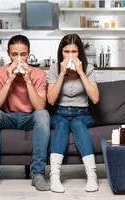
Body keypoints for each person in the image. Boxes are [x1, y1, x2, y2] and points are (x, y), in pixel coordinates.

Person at [0, 34, 51, 192]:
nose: (19, 59)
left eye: (23, 54)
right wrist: (9, 80)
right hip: (8, 117)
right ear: (8, 54)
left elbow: (40, 106)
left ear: (29, 53)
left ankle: (38, 174)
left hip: (29, 118)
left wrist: (28, 81)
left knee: (43, 114)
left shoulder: (39, 74)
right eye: (14, 54)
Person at [46, 33, 100, 193]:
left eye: (74, 52)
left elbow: (95, 99)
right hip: (60, 113)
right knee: (62, 124)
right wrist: (62, 74)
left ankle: (92, 175)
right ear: (61, 53)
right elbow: (50, 100)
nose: (70, 55)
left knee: (77, 123)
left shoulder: (89, 69)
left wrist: (81, 72)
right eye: (66, 52)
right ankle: (54, 176)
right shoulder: (54, 69)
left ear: (80, 53)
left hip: (82, 114)